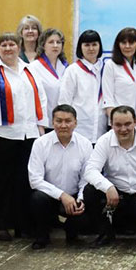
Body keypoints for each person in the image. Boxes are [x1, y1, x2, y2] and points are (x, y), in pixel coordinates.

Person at [0, 32, 47, 241]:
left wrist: (41, 125)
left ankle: (22, 225)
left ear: (19, 47)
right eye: (4, 45)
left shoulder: (30, 70)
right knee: (1, 183)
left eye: (12, 45)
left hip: (28, 134)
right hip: (2, 134)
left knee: (24, 181)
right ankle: (1, 225)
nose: (8, 48)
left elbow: (41, 98)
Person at [82, 106, 136, 246]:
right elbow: (90, 170)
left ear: (135, 122)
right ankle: (105, 233)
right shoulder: (104, 141)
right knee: (89, 191)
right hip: (116, 191)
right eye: (118, 125)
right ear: (111, 124)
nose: (123, 129)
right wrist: (108, 187)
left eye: (127, 124)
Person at [28, 104, 94, 249]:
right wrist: (62, 196)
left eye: (68, 121)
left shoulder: (85, 144)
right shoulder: (40, 143)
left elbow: (86, 177)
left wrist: (80, 198)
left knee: (89, 200)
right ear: (52, 122)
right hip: (49, 196)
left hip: (74, 196)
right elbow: (35, 180)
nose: (63, 125)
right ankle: (42, 236)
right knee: (37, 198)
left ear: (75, 123)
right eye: (59, 121)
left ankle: (72, 232)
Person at [58, 30, 107, 143]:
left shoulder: (107, 69)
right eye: (87, 45)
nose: (91, 48)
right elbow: (64, 102)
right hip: (79, 131)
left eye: (94, 44)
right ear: (80, 47)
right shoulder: (73, 70)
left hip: (102, 131)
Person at [102, 27, 136, 121]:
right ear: (118, 45)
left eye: (131, 43)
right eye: (123, 43)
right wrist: (117, 122)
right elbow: (108, 99)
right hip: (119, 123)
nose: (127, 46)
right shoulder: (111, 65)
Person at [28, 28, 68, 130]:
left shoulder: (66, 67)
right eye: (51, 42)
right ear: (43, 45)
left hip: (64, 123)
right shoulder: (33, 67)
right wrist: (39, 124)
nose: (55, 45)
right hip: (43, 124)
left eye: (58, 42)